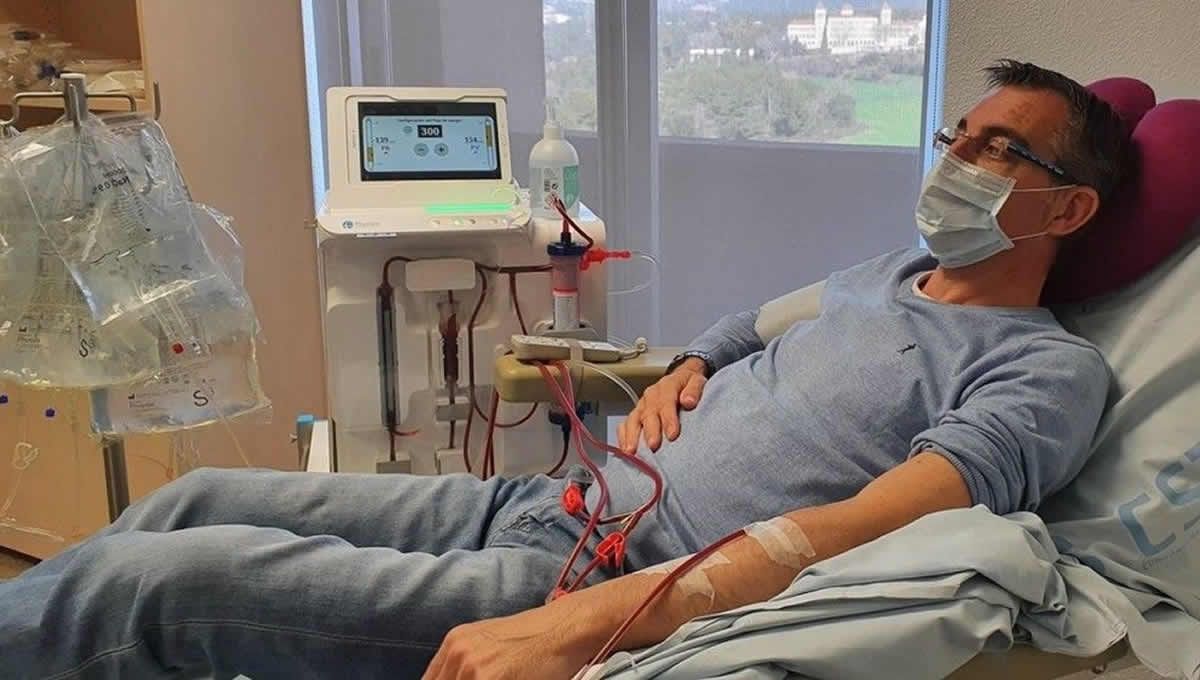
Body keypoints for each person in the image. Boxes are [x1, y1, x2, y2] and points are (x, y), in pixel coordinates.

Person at [0, 60, 1131, 680]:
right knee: (192, 498)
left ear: (1071, 208)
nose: (956, 160)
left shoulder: (1044, 370)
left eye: (998, 150)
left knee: (154, 586)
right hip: (541, 500)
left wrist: (595, 621)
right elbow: (747, 325)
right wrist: (690, 367)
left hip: (608, 572)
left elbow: (867, 526)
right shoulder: (892, 273)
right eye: (955, 136)